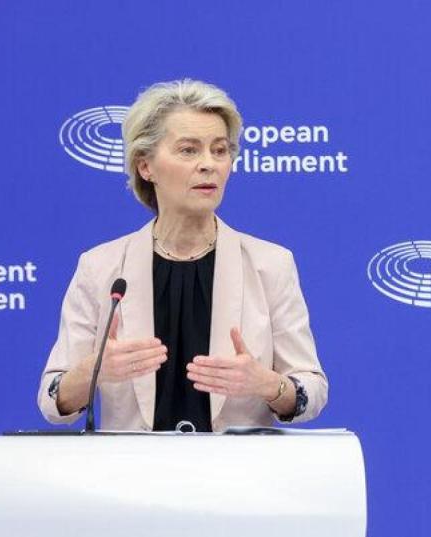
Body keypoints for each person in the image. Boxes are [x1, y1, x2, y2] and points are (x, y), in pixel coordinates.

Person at [38, 79, 328, 432]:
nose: (209, 164)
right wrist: (94, 370)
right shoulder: (102, 267)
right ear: (146, 166)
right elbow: (52, 401)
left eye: (220, 150)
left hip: (240, 478)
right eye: (189, 150)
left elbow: (311, 390)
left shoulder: (271, 264)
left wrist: (267, 384)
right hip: (128, 479)